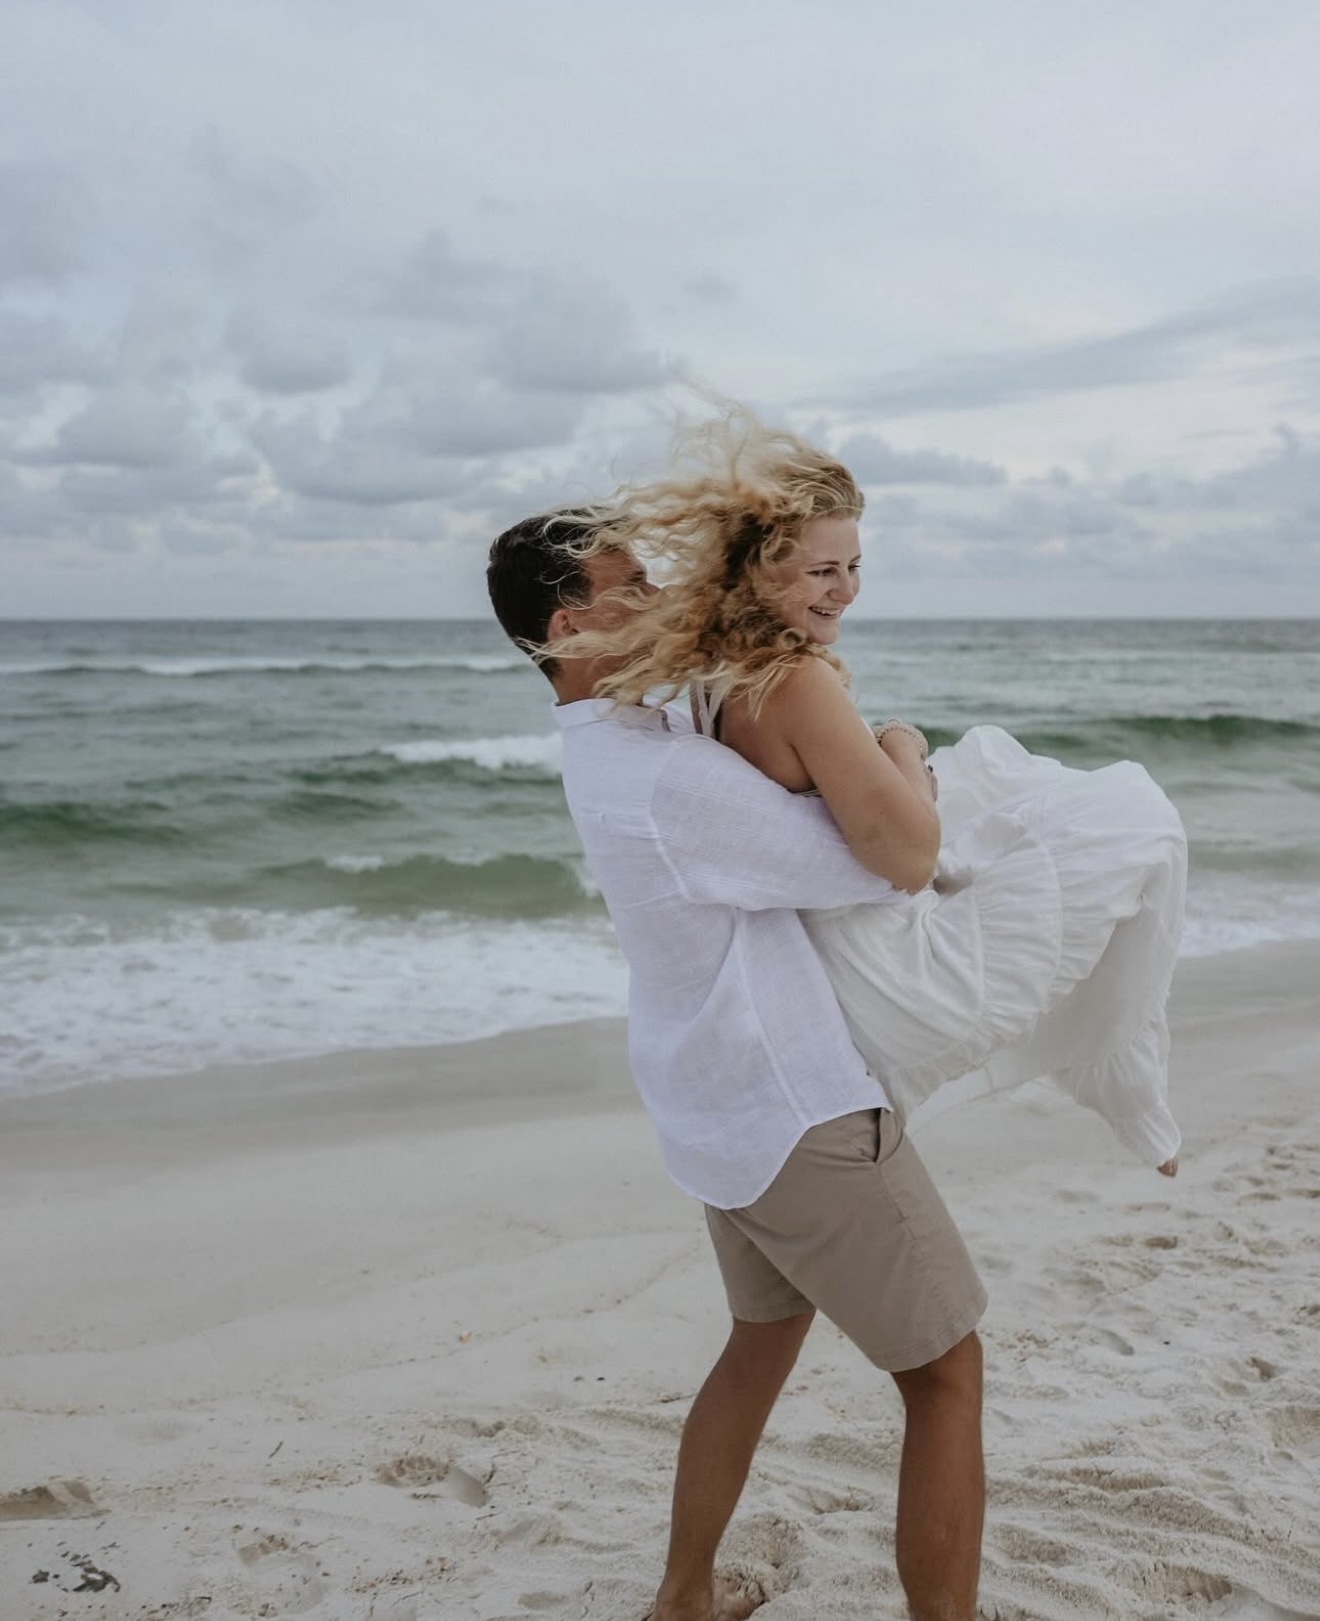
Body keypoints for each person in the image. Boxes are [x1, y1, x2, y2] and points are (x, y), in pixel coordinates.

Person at [488, 512, 989, 1621]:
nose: (662, 594)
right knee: (947, 1370)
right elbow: (882, 866)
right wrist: (901, 746)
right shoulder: (665, 780)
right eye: (635, 585)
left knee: (761, 1341)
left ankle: (683, 1596)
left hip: (711, 1110)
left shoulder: (621, 742)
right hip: (795, 1108)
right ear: (574, 627)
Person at [546, 409, 1186, 1177]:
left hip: (829, 961)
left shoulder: (713, 674)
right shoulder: (795, 680)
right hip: (887, 978)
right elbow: (912, 861)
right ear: (759, 570)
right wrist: (899, 741)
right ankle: (1122, 1071)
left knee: (999, 772)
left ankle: (1118, 1065)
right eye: (823, 570)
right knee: (1138, 813)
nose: (845, 590)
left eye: (853, 566)